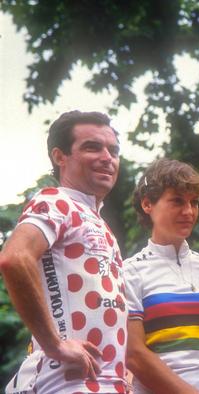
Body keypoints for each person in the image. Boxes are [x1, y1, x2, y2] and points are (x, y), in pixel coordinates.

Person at [0, 111, 127, 393]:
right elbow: (14, 258)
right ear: (60, 157)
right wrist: (55, 345)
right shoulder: (57, 200)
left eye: (113, 149)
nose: (107, 157)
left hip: (105, 383)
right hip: (70, 383)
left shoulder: (96, 218)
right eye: (92, 147)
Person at [123, 158, 199, 393]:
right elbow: (134, 354)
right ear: (148, 204)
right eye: (177, 201)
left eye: (194, 202)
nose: (188, 211)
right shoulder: (128, 271)